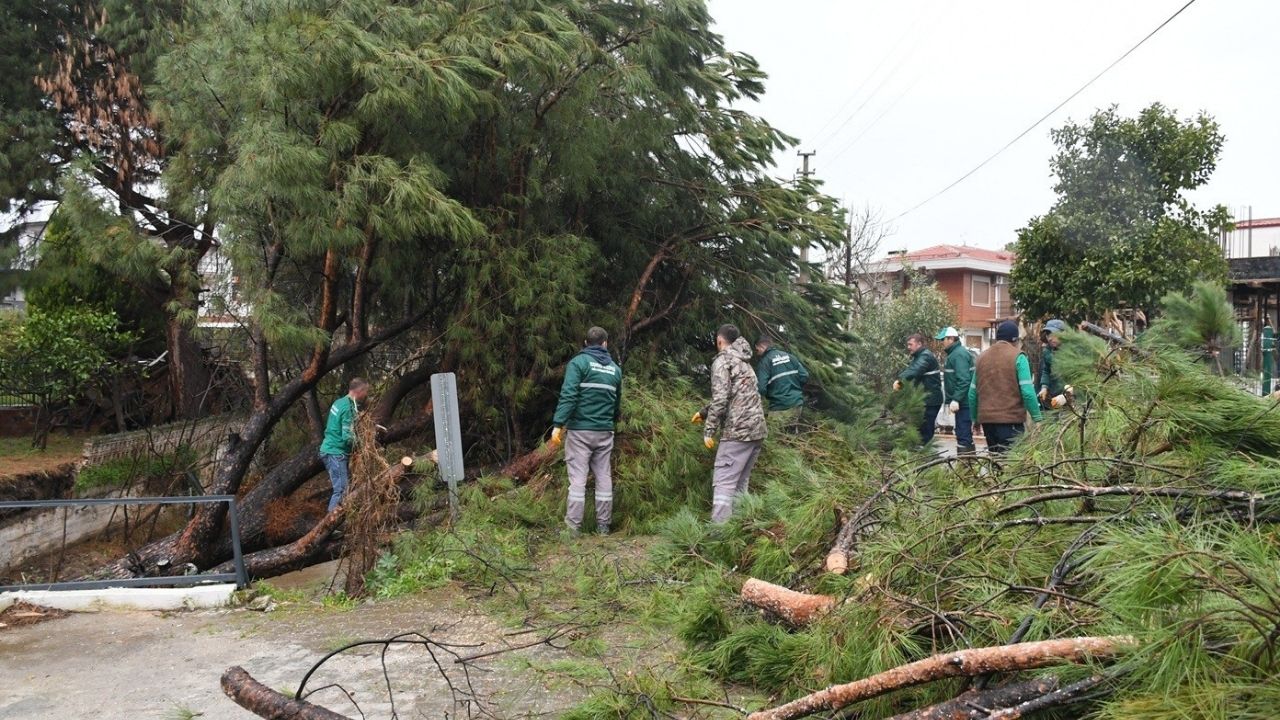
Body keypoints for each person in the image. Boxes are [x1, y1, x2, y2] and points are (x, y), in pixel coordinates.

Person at [550, 326, 623, 536]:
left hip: (580, 432)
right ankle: (603, 526)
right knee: (603, 476)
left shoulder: (579, 363)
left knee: (578, 479)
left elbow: (569, 395)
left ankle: (573, 527)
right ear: (605, 343)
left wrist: (558, 424)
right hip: (604, 432)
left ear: (585, 343)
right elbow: (616, 404)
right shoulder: (615, 370)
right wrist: (609, 423)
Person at [701, 324, 767, 524]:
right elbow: (736, 393)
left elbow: (721, 398)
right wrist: (704, 412)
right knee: (740, 484)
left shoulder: (723, 361)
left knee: (724, 482)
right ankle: (740, 529)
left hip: (737, 432)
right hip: (756, 431)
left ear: (719, 340)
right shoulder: (744, 361)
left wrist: (709, 430)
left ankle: (719, 532)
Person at [969, 321, 1042, 454]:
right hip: (1011, 421)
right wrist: (1037, 418)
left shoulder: (981, 358)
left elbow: (972, 393)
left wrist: (975, 419)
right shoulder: (1019, 357)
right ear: (1015, 340)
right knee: (1011, 462)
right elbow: (1027, 392)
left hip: (987, 422)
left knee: (996, 460)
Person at [320, 377, 370, 512]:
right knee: (342, 489)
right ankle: (330, 521)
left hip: (329, 449)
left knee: (343, 487)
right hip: (336, 453)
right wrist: (363, 446)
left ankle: (336, 519)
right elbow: (347, 437)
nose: (366, 395)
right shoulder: (348, 408)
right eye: (366, 391)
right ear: (360, 391)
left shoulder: (339, 402)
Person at [895, 333, 943, 447]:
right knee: (921, 428)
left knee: (925, 430)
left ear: (919, 344)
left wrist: (899, 381)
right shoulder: (919, 356)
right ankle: (920, 451)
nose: (908, 347)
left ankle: (923, 452)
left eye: (910, 344)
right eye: (907, 345)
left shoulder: (925, 356)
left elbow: (914, 371)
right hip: (925, 399)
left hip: (930, 400)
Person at [754, 335, 809, 431]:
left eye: (756, 349)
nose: (757, 353)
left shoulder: (764, 362)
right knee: (791, 433)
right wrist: (794, 389)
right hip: (797, 402)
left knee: (776, 434)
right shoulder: (790, 356)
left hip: (779, 406)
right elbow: (804, 376)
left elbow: (761, 388)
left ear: (761, 346)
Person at [935, 327, 975, 454]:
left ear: (951, 339)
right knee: (964, 433)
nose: (942, 342)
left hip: (964, 403)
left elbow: (964, 380)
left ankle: (965, 462)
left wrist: (956, 399)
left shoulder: (958, 355)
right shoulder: (956, 354)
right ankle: (968, 461)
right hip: (964, 402)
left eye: (943, 339)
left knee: (963, 434)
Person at [1038, 319, 1068, 407]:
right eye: (1048, 335)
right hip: (1055, 396)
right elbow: (1046, 370)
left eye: (1053, 334)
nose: (1050, 338)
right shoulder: (1048, 351)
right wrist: (1044, 387)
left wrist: (1067, 394)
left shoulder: (1073, 351)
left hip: (1073, 397)